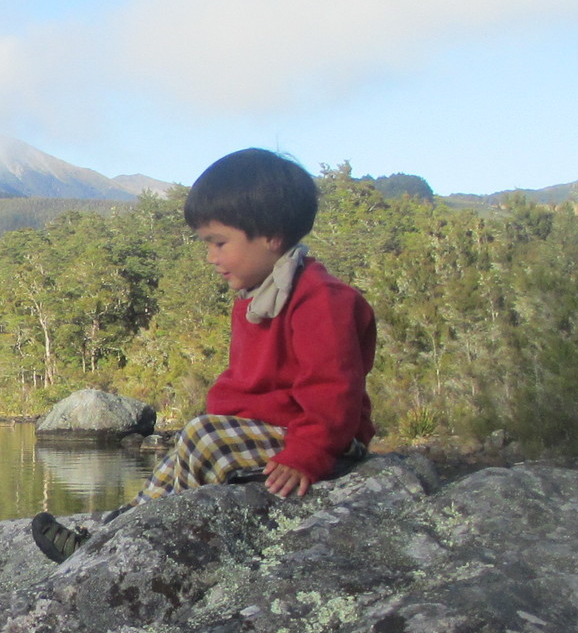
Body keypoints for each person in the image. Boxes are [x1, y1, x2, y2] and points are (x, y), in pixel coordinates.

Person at [33, 149, 377, 562]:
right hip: (272, 434)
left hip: (326, 444)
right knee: (181, 452)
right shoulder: (260, 297)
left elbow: (333, 391)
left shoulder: (321, 300)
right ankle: (114, 536)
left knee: (203, 437)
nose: (211, 257)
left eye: (219, 243)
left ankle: (131, 543)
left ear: (271, 235)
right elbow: (244, 388)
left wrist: (309, 455)